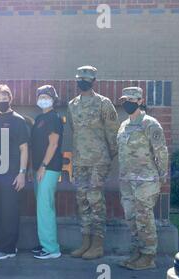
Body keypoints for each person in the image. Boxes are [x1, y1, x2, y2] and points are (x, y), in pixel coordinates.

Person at [67, 66, 119, 260]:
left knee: (95, 200)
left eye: (86, 79)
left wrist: (107, 156)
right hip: (80, 160)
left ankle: (97, 244)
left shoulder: (103, 103)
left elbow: (112, 133)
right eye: (80, 78)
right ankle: (85, 242)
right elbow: (75, 130)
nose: (83, 82)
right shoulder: (72, 104)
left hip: (99, 160)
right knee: (82, 200)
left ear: (93, 81)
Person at [117, 87, 168, 270]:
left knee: (144, 218)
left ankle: (148, 256)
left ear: (140, 101)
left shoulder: (150, 123)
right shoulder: (123, 125)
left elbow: (161, 151)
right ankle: (137, 252)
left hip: (146, 180)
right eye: (125, 100)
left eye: (131, 99)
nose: (127, 103)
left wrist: (162, 175)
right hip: (127, 181)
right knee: (131, 217)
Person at [0, 84, 28, 260]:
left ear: (10, 99)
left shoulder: (18, 120)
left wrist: (22, 173)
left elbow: (24, 149)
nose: (1, 101)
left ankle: (9, 249)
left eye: (5, 98)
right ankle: (2, 245)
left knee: (10, 211)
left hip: (11, 173)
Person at [30, 85, 63, 259]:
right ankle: (45, 243)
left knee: (45, 208)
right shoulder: (40, 118)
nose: (43, 99)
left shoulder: (53, 118)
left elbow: (53, 144)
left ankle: (51, 249)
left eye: (47, 96)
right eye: (40, 96)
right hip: (39, 169)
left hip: (48, 169)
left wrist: (43, 165)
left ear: (53, 99)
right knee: (41, 207)